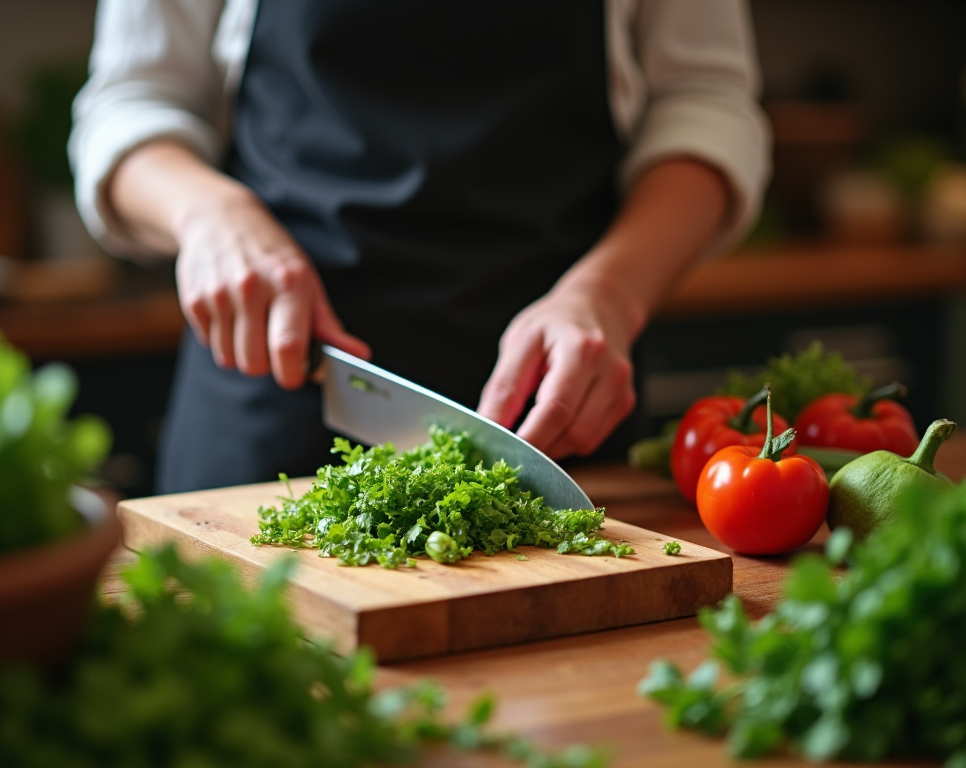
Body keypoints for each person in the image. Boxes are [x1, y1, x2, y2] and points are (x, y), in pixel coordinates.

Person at [70, 0, 770, 494]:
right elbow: (131, 100)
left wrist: (610, 293)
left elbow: (706, 100)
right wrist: (209, 213)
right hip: (278, 381)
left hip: (558, 404)